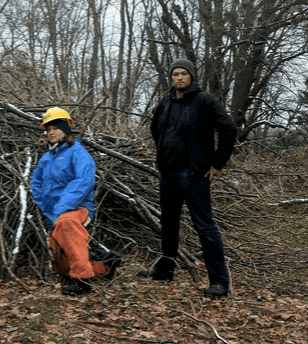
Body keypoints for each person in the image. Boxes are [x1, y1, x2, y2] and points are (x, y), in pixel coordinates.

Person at [139, 58, 237, 298]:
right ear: (171, 78)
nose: (179, 78)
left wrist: (217, 164)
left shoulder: (204, 101)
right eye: (175, 74)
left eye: (183, 74)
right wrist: (164, 153)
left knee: (204, 226)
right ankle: (165, 270)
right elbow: (155, 129)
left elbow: (228, 129)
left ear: (191, 76)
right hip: (168, 174)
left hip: (194, 174)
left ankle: (219, 282)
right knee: (169, 224)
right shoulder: (165, 102)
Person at [30, 107, 121, 296]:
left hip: (77, 209)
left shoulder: (78, 153)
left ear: (66, 128)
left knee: (67, 223)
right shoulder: (46, 158)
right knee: (61, 266)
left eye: (55, 127)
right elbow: (36, 183)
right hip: (53, 214)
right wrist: (48, 210)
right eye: (48, 129)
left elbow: (83, 182)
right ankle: (105, 266)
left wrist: (62, 209)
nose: (51, 132)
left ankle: (82, 281)